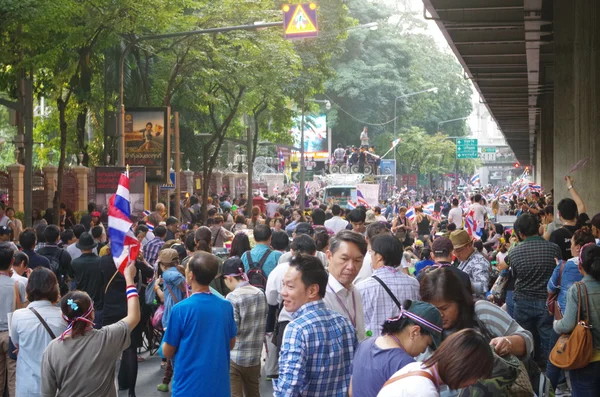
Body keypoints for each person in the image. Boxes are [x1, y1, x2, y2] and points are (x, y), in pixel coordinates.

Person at [420, 268, 534, 393]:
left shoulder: (481, 311)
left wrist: (508, 342)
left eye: (444, 308)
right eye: (432, 308)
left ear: (459, 300)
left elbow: (527, 340)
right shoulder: (426, 330)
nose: (439, 314)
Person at [40, 264, 140, 397]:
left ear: (64, 317)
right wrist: (129, 279)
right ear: (92, 313)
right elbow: (134, 316)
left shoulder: (52, 349)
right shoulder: (107, 338)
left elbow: (47, 393)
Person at [275, 254, 357, 397]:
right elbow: (354, 373)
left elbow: (288, 388)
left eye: (290, 286)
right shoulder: (343, 322)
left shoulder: (297, 329)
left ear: (312, 290)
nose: (283, 292)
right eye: (283, 284)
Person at [161, 252, 237, 397]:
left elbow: (167, 351)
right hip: (219, 385)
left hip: (188, 386)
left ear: (191, 276)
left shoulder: (180, 310)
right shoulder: (225, 306)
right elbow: (231, 343)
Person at [351, 300, 443, 397]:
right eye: (427, 344)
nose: (424, 351)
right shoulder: (406, 365)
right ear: (415, 332)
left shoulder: (365, 344)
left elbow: (351, 391)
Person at [546, 227, 595, 392]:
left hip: (570, 327)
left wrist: (556, 324)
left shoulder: (565, 267)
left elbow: (551, 288)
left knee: (554, 359)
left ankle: (549, 390)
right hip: (593, 343)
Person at [508, 213, 561, 368]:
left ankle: (530, 374)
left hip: (523, 301)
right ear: (538, 228)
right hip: (547, 302)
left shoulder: (515, 252)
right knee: (548, 339)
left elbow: (515, 276)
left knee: (525, 340)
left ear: (521, 234)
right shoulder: (554, 249)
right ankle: (554, 375)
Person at [377, 329, 494, 397]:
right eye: (476, 376)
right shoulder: (424, 390)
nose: (474, 382)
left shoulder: (417, 366)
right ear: (462, 366)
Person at [10, 268, 66, 397]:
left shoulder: (18, 316)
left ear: (29, 288)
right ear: (55, 288)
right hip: (57, 386)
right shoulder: (64, 317)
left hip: (27, 385)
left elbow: (16, 343)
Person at [553, 244, 600, 396]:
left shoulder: (578, 289)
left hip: (586, 358)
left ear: (580, 266)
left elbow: (567, 325)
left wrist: (555, 324)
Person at [357, 234, 420, 337]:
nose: (370, 256)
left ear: (379, 257)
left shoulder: (362, 287)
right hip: (405, 347)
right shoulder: (413, 284)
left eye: (371, 252)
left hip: (375, 347)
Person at [222, 257, 267, 397]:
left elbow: (232, 330)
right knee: (254, 392)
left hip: (236, 357)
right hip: (254, 357)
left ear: (229, 278)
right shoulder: (260, 293)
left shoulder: (232, 297)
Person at [324, 230, 367, 340]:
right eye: (344, 259)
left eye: (357, 260)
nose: (351, 267)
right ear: (329, 256)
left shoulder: (355, 292)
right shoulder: (321, 296)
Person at [154, 249, 186, 393]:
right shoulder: (179, 272)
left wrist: (156, 286)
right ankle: (166, 381)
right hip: (182, 314)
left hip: (173, 317)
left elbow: (176, 280)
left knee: (172, 353)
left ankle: (176, 383)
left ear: (163, 264)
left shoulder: (168, 274)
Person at [0, 246, 27, 396]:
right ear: (12, 261)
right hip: (12, 335)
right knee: (13, 376)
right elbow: (24, 310)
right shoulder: (19, 285)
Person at [70, 232, 104, 329]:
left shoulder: (75, 263)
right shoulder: (100, 261)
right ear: (93, 246)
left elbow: (72, 278)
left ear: (80, 248)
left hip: (81, 302)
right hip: (98, 301)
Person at [449, 229, 490, 297]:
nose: (456, 254)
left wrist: (461, 282)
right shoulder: (465, 259)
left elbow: (482, 288)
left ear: (469, 245)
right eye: (454, 251)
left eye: (459, 250)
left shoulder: (479, 262)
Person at [37, 225, 73, 297]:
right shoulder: (64, 253)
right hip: (59, 290)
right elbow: (70, 273)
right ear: (58, 237)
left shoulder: (38, 252)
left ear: (45, 237)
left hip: (41, 289)